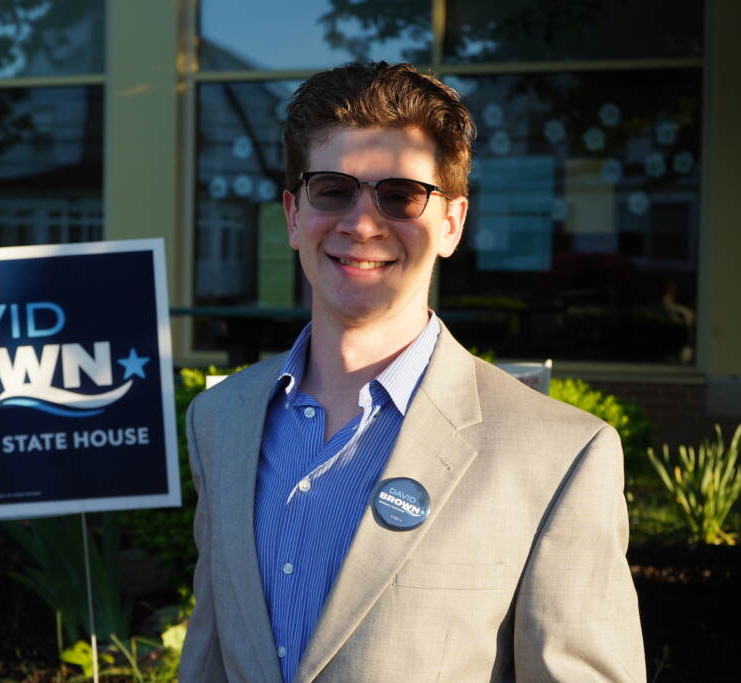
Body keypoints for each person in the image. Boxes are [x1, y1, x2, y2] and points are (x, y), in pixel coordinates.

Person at [179, 62, 645, 682]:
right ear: (294, 214)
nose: (362, 223)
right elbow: (210, 659)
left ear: (451, 222)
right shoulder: (220, 420)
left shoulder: (560, 455)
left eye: (400, 196)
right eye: (333, 189)